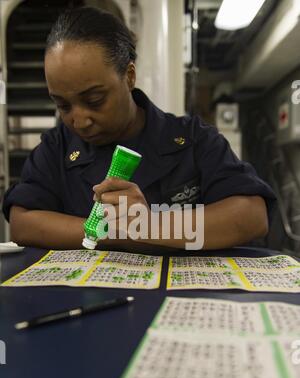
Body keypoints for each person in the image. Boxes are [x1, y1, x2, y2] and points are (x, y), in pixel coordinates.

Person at [2, 6, 276, 252]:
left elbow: (251, 216)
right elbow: (23, 223)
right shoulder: (57, 146)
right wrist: (110, 231)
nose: (80, 120)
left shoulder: (192, 139)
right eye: (63, 106)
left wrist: (149, 225)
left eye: (94, 100)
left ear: (129, 76)